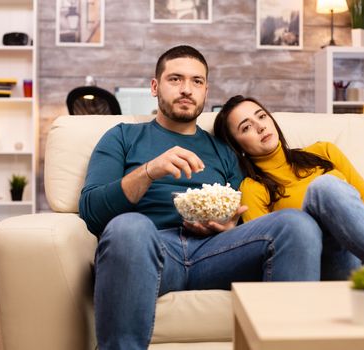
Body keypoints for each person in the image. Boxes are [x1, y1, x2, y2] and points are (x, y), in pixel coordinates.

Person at [79, 46, 324, 350]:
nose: (186, 89)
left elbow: (242, 210)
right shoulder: (123, 137)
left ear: (206, 90)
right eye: (175, 79)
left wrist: (229, 224)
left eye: (197, 82)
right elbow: (90, 212)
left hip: (216, 251)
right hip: (152, 248)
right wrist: (149, 170)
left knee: (296, 224)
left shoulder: (224, 149)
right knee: (129, 227)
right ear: (155, 87)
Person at [213, 95, 364, 281]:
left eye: (261, 116)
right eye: (247, 127)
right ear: (237, 146)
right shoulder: (253, 188)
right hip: (334, 262)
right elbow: (264, 251)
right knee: (324, 187)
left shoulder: (324, 152)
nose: (260, 126)